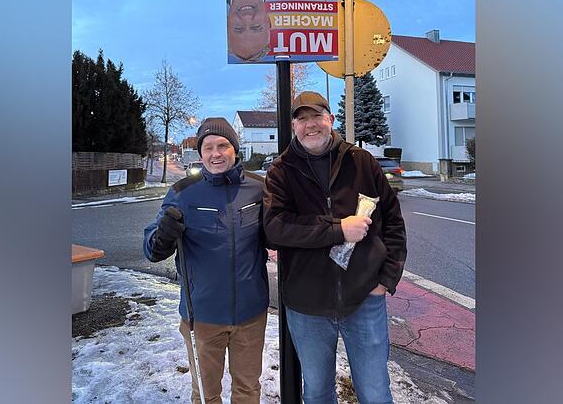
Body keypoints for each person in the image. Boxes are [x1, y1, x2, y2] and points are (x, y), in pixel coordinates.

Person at [263, 91, 407, 404]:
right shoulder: (281, 171)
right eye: (301, 119)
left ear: (331, 119)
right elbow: (275, 229)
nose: (310, 125)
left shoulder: (361, 162)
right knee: (316, 393)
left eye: (316, 116)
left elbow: (393, 222)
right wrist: (338, 230)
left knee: (375, 393)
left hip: (363, 300)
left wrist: (386, 279)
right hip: (307, 306)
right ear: (293, 127)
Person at [143, 117, 269, 404]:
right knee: (206, 394)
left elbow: (277, 232)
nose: (216, 153)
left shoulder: (259, 188)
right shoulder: (183, 193)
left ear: (235, 148)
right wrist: (162, 236)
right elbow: (152, 249)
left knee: (248, 389)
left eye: (223, 145)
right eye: (208, 147)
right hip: (201, 315)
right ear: (200, 154)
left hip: (250, 313)